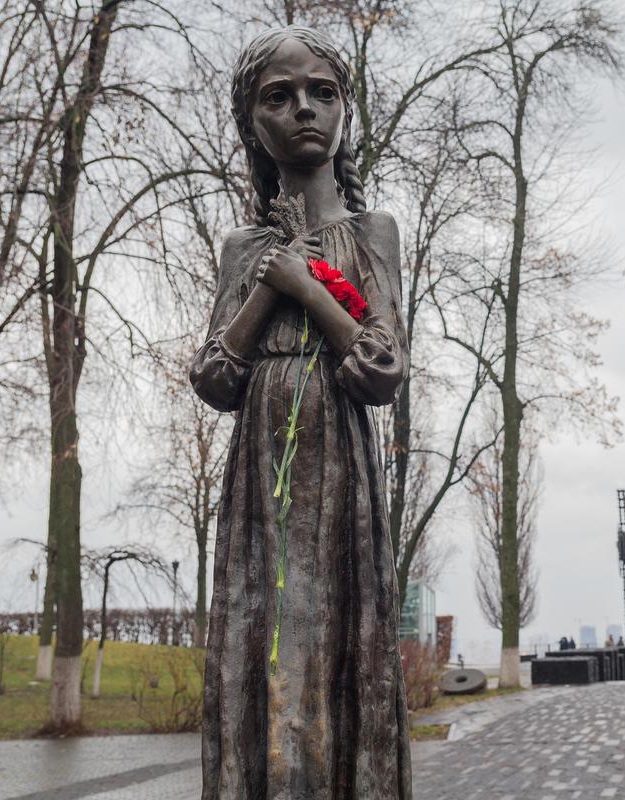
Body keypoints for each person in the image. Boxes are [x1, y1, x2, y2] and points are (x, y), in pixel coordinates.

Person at [190, 25, 411, 799]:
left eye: (323, 92)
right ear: (252, 122)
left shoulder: (371, 233)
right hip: (261, 474)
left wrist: (311, 287)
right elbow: (216, 378)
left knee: (337, 636)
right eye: (277, 98)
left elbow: (382, 369)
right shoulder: (240, 247)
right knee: (266, 637)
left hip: (339, 465)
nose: (304, 110)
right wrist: (266, 284)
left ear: (346, 109)